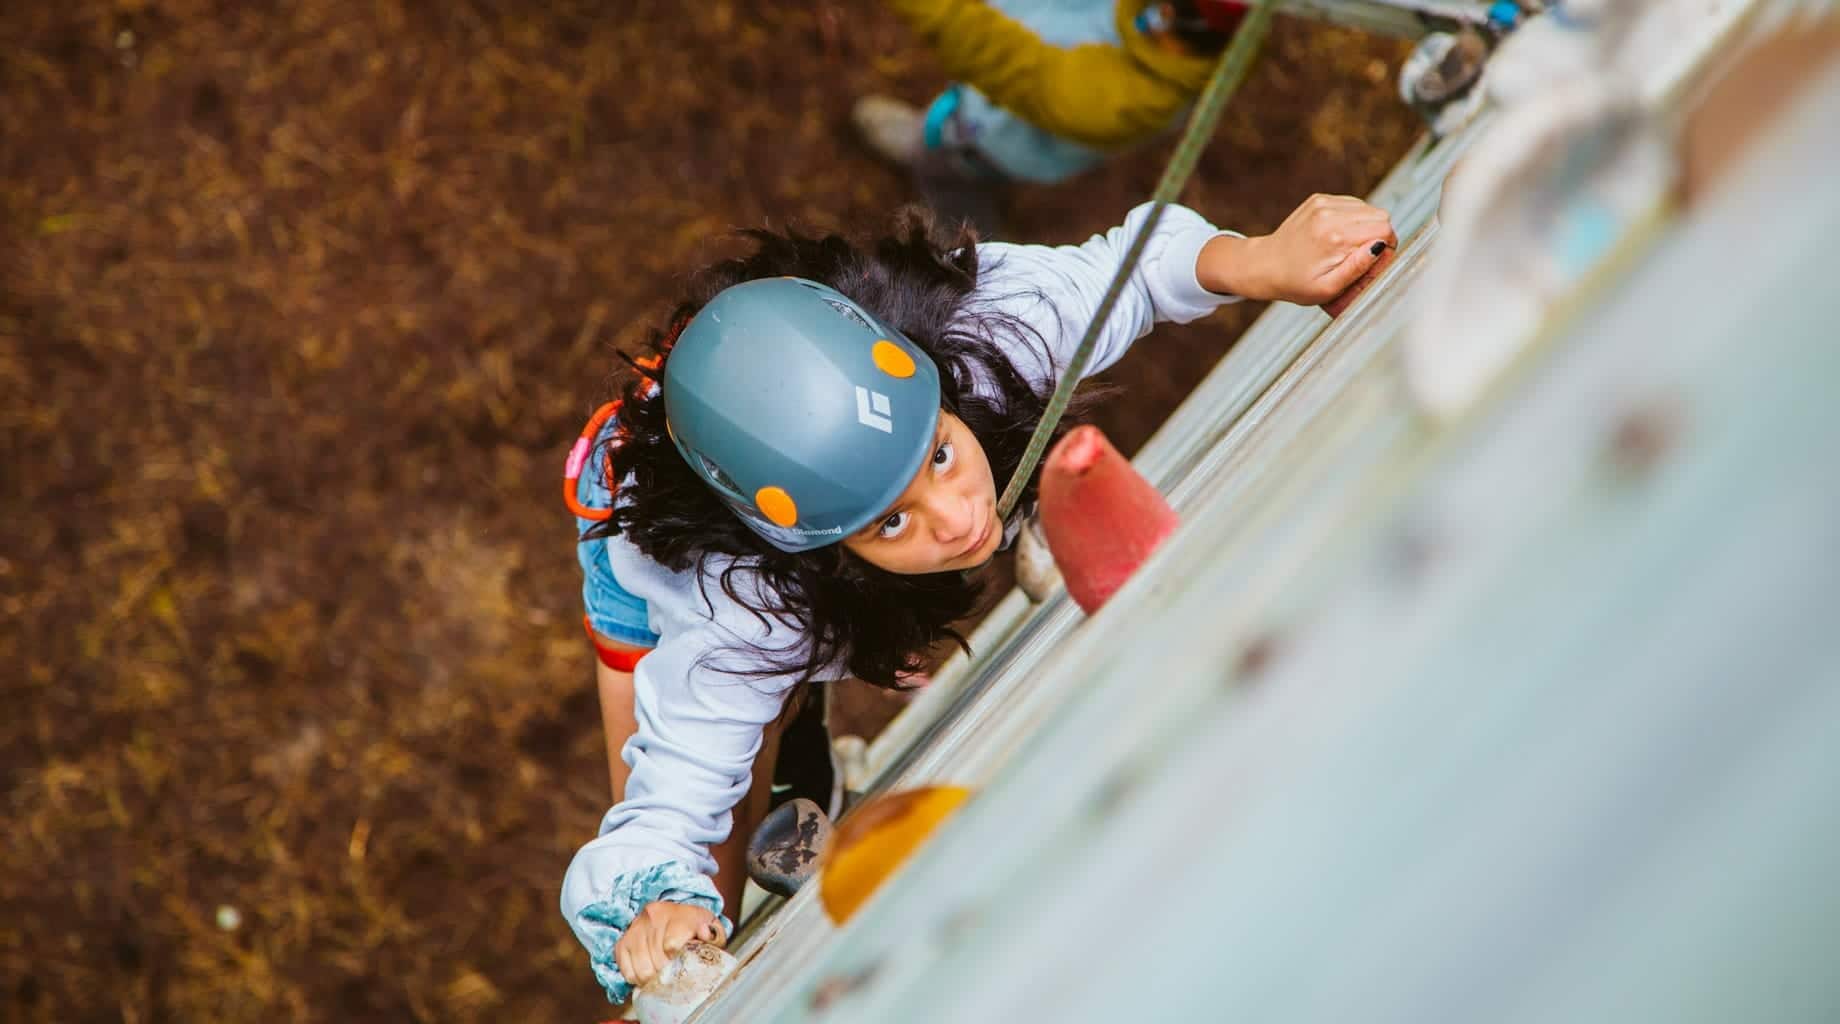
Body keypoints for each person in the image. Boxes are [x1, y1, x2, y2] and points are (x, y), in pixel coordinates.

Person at [560, 192, 1394, 1005]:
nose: (959, 518)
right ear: (810, 548)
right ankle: (796, 761)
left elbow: (1135, 272)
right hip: (649, 543)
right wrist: (662, 907)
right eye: (891, 521)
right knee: (728, 804)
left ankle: (987, 523)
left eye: (943, 456)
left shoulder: (983, 332)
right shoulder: (734, 606)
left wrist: (1261, 259)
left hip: (817, 535)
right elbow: (668, 803)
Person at [854, 0, 1252, 225]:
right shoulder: (1197, 31)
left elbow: (1011, 65)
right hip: (1007, 81)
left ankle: (962, 248)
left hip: (997, 140)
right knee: (961, 112)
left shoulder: (1127, 101)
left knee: (946, 167)